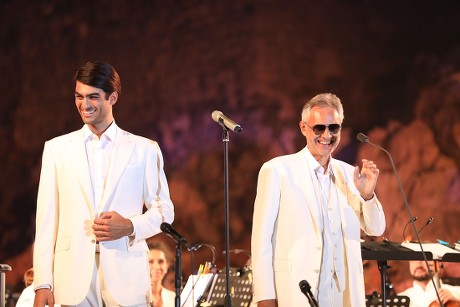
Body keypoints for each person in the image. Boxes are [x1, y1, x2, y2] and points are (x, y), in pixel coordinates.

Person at [33, 61, 174, 307]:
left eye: (93, 97)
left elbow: (165, 211)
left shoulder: (145, 149)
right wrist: (43, 283)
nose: (84, 104)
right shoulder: (56, 149)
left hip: (127, 277)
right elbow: (45, 222)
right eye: (79, 96)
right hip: (72, 278)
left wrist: (129, 226)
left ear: (113, 97)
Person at [251, 93, 386, 306]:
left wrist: (367, 195)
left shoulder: (350, 174)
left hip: (344, 296)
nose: (327, 135)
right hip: (297, 291)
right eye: (319, 128)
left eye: (334, 128)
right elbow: (261, 240)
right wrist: (265, 296)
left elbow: (376, 229)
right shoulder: (277, 170)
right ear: (304, 128)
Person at [147, 241, 175, 307]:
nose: (156, 267)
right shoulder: (134, 298)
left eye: (161, 262)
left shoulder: (173, 297)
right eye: (150, 262)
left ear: (167, 266)